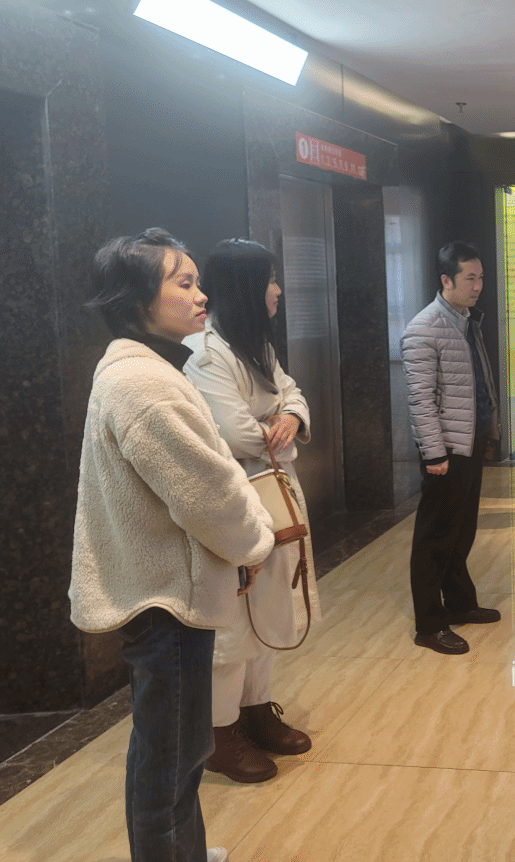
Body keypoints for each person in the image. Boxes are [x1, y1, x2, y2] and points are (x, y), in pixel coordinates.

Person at [70, 229, 274, 862]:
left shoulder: (139, 368)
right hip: (168, 601)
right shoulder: (146, 384)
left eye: (197, 281)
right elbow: (208, 493)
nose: (200, 294)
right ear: (137, 300)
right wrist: (255, 543)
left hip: (161, 590)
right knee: (172, 759)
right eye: (183, 283)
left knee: (170, 751)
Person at [184, 239, 320, 784]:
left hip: (273, 495)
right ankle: (220, 733)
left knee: (270, 607)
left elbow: (293, 392)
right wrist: (278, 425)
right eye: (269, 280)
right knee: (233, 622)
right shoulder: (206, 354)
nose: (278, 290)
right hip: (234, 503)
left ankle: (257, 708)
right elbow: (239, 435)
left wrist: (290, 416)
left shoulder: (255, 345)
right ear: (246, 288)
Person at [401, 241, 502, 655]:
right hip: (445, 451)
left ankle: (460, 603)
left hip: (469, 442)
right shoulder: (424, 328)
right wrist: (434, 454)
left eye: (481, 277)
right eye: (470, 278)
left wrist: (489, 429)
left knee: (461, 531)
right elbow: (420, 399)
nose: (478, 286)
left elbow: (478, 382)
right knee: (435, 538)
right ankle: (429, 623)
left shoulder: (465, 321)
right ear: (446, 280)